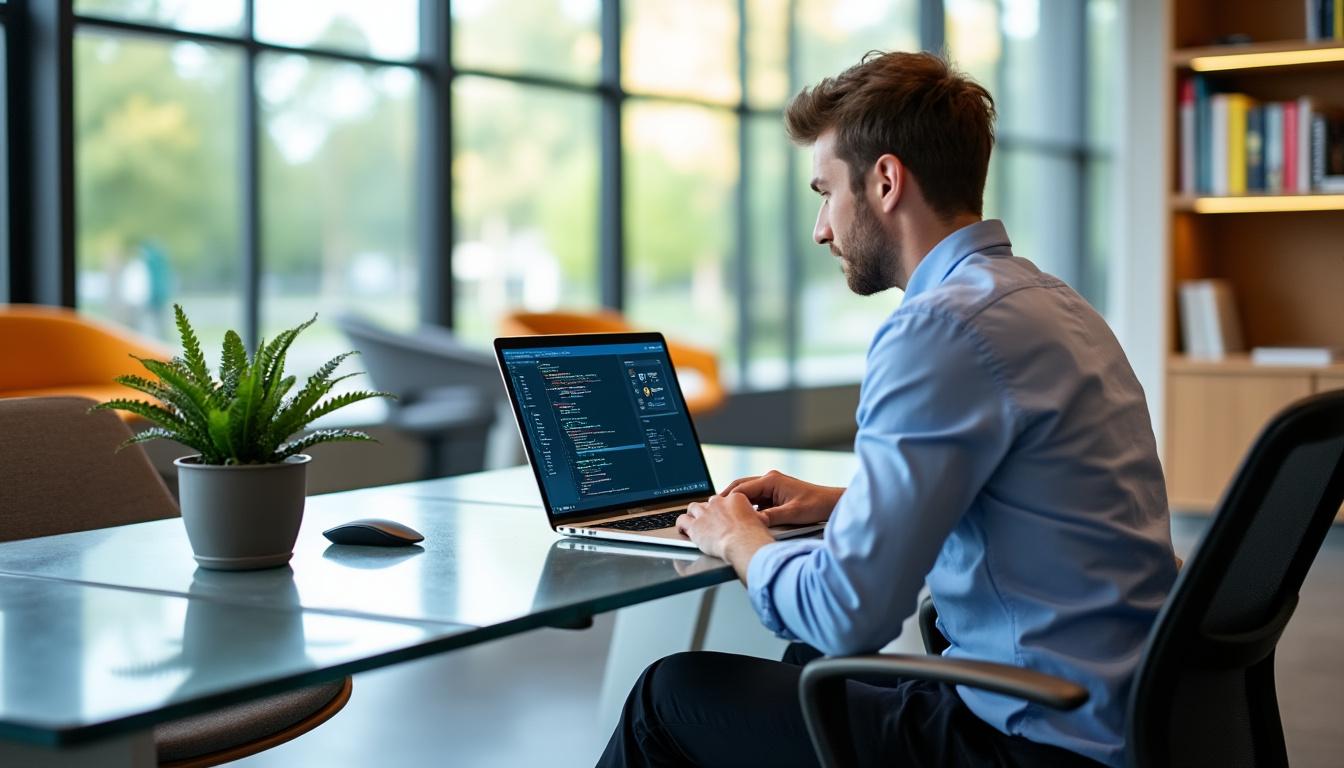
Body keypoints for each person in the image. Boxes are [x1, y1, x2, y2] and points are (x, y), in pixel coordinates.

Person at [596, 51, 1176, 768]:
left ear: (886, 181)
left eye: (825, 192)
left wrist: (737, 537)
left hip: (1028, 742)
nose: (820, 228)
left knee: (670, 696)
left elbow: (852, 616)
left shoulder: (939, 330)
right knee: (802, 665)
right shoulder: (1052, 304)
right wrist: (844, 503)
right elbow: (1024, 495)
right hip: (1129, 713)